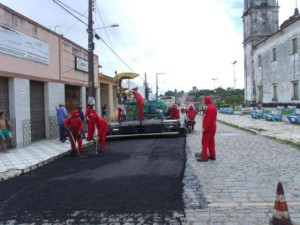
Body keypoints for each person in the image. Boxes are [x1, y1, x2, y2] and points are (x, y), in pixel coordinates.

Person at [197, 96, 217, 162]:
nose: (203, 101)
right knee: (211, 142)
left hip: (209, 128)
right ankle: (212, 155)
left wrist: (205, 129)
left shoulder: (209, 109)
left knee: (204, 142)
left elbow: (208, 120)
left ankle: (204, 156)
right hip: (213, 127)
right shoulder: (213, 107)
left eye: (204, 100)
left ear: (206, 101)